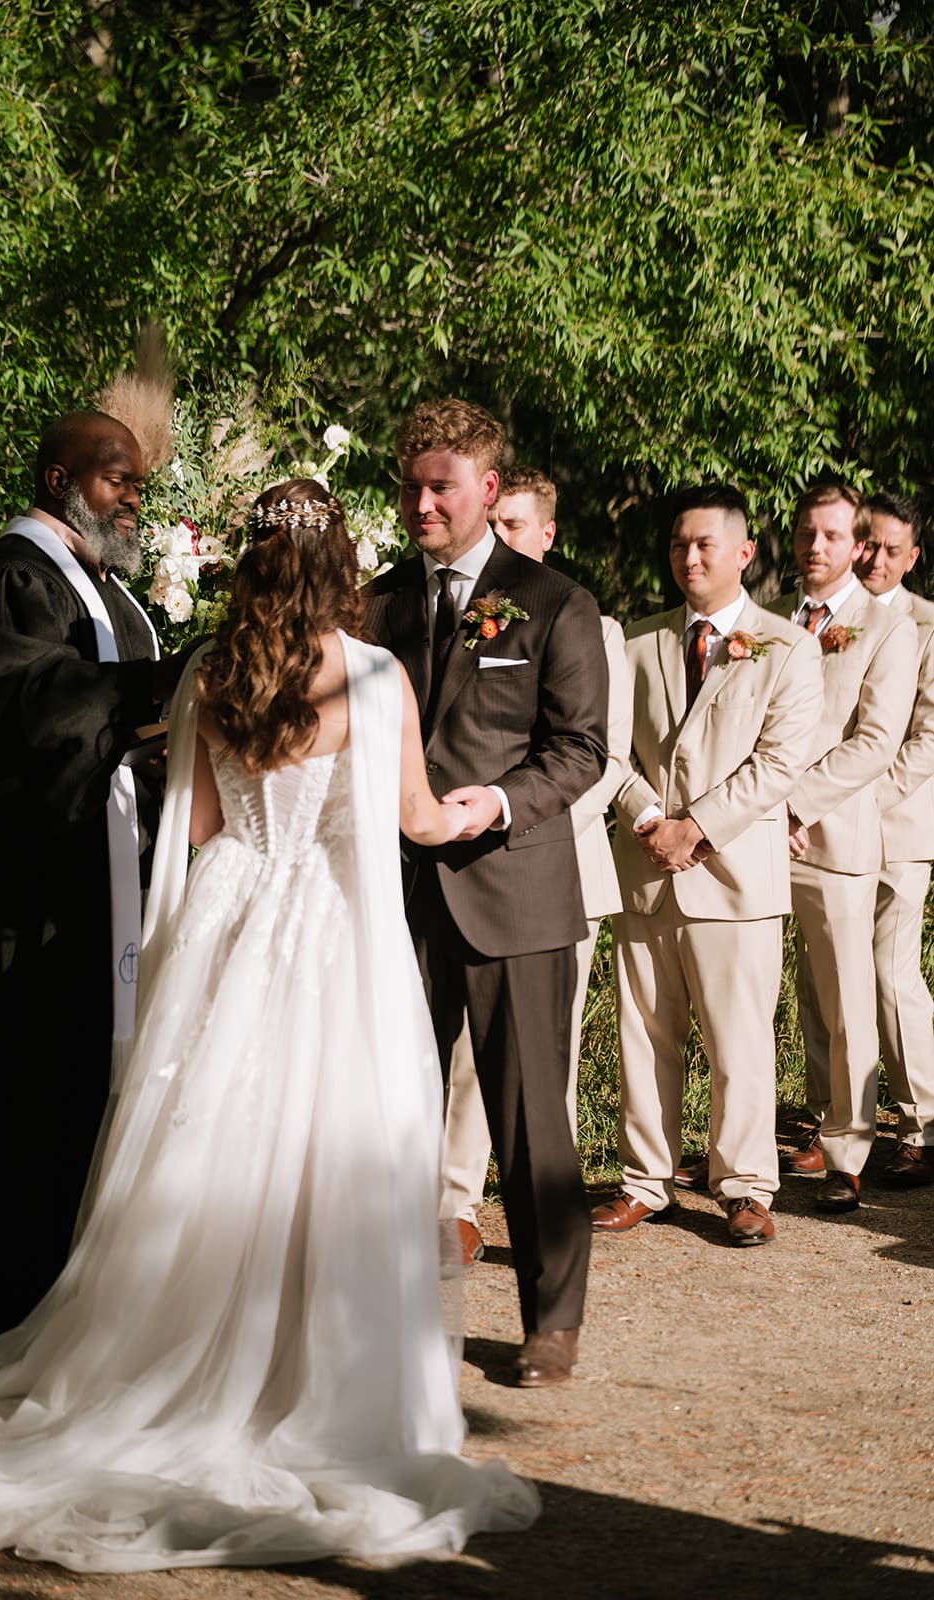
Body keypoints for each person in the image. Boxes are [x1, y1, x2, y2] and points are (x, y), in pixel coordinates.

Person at [0, 479, 539, 1574]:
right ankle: (310, 1382)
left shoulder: (211, 673)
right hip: (330, 933)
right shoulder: (375, 676)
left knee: (217, 1136)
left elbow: (198, 826)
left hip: (233, 921)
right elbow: (413, 820)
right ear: (336, 571)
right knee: (327, 1156)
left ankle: (179, 1365)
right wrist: (475, 807)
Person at [0, 410, 180, 1342]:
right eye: (115, 477)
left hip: (99, 888)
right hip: (24, 904)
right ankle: (13, 1325)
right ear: (59, 481)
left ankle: (76, 1322)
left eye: (136, 481)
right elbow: (30, 709)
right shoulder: (10, 583)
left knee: (89, 1099)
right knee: (30, 1107)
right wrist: (161, 689)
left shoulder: (108, 594)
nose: (133, 495)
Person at [365, 400, 609, 1388]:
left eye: (441, 487)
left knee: (528, 1124)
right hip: (392, 898)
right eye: (412, 486)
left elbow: (580, 749)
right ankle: (380, 1309)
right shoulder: (374, 602)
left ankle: (551, 1321)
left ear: (489, 490)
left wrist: (497, 805)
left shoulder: (551, 602)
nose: (422, 502)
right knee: (383, 1112)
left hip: (512, 894)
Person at [592, 485, 823, 1246]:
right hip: (647, 867)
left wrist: (698, 828)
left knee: (739, 1043)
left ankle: (745, 1185)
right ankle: (643, 1181)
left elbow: (781, 759)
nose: (687, 559)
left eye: (703, 545)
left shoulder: (785, 647)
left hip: (732, 878)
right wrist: (650, 819)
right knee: (644, 1037)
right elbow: (606, 749)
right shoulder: (635, 644)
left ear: (743, 553)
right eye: (676, 546)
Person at [438, 468, 632, 1264]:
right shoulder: (452, 616)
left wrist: (520, 825)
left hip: (557, 865)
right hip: (456, 862)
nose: (504, 539)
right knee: (457, 1061)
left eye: (518, 526)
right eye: (497, 523)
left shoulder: (588, 622)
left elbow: (602, 757)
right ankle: (454, 1201)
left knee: (537, 1065)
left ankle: (541, 1216)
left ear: (546, 534)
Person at [770, 484, 916, 1212]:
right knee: (797, 995)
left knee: (847, 996)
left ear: (857, 546)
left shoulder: (889, 631)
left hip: (832, 835)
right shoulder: (768, 619)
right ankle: (815, 1125)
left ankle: (848, 1152)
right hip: (757, 834)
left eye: (829, 535)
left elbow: (873, 742)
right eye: (804, 533)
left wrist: (792, 804)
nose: (812, 548)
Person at [853, 492, 934, 1186]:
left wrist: (853, 806)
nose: (874, 559)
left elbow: (926, 739)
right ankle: (833, 1127)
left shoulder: (929, 626)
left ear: (912, 557)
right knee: (826, 984)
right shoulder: (817, 618)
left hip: (895, 830)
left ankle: (921, 1125)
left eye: (890, 548)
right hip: (809, 833)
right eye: (866, 543)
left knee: (888, 974)